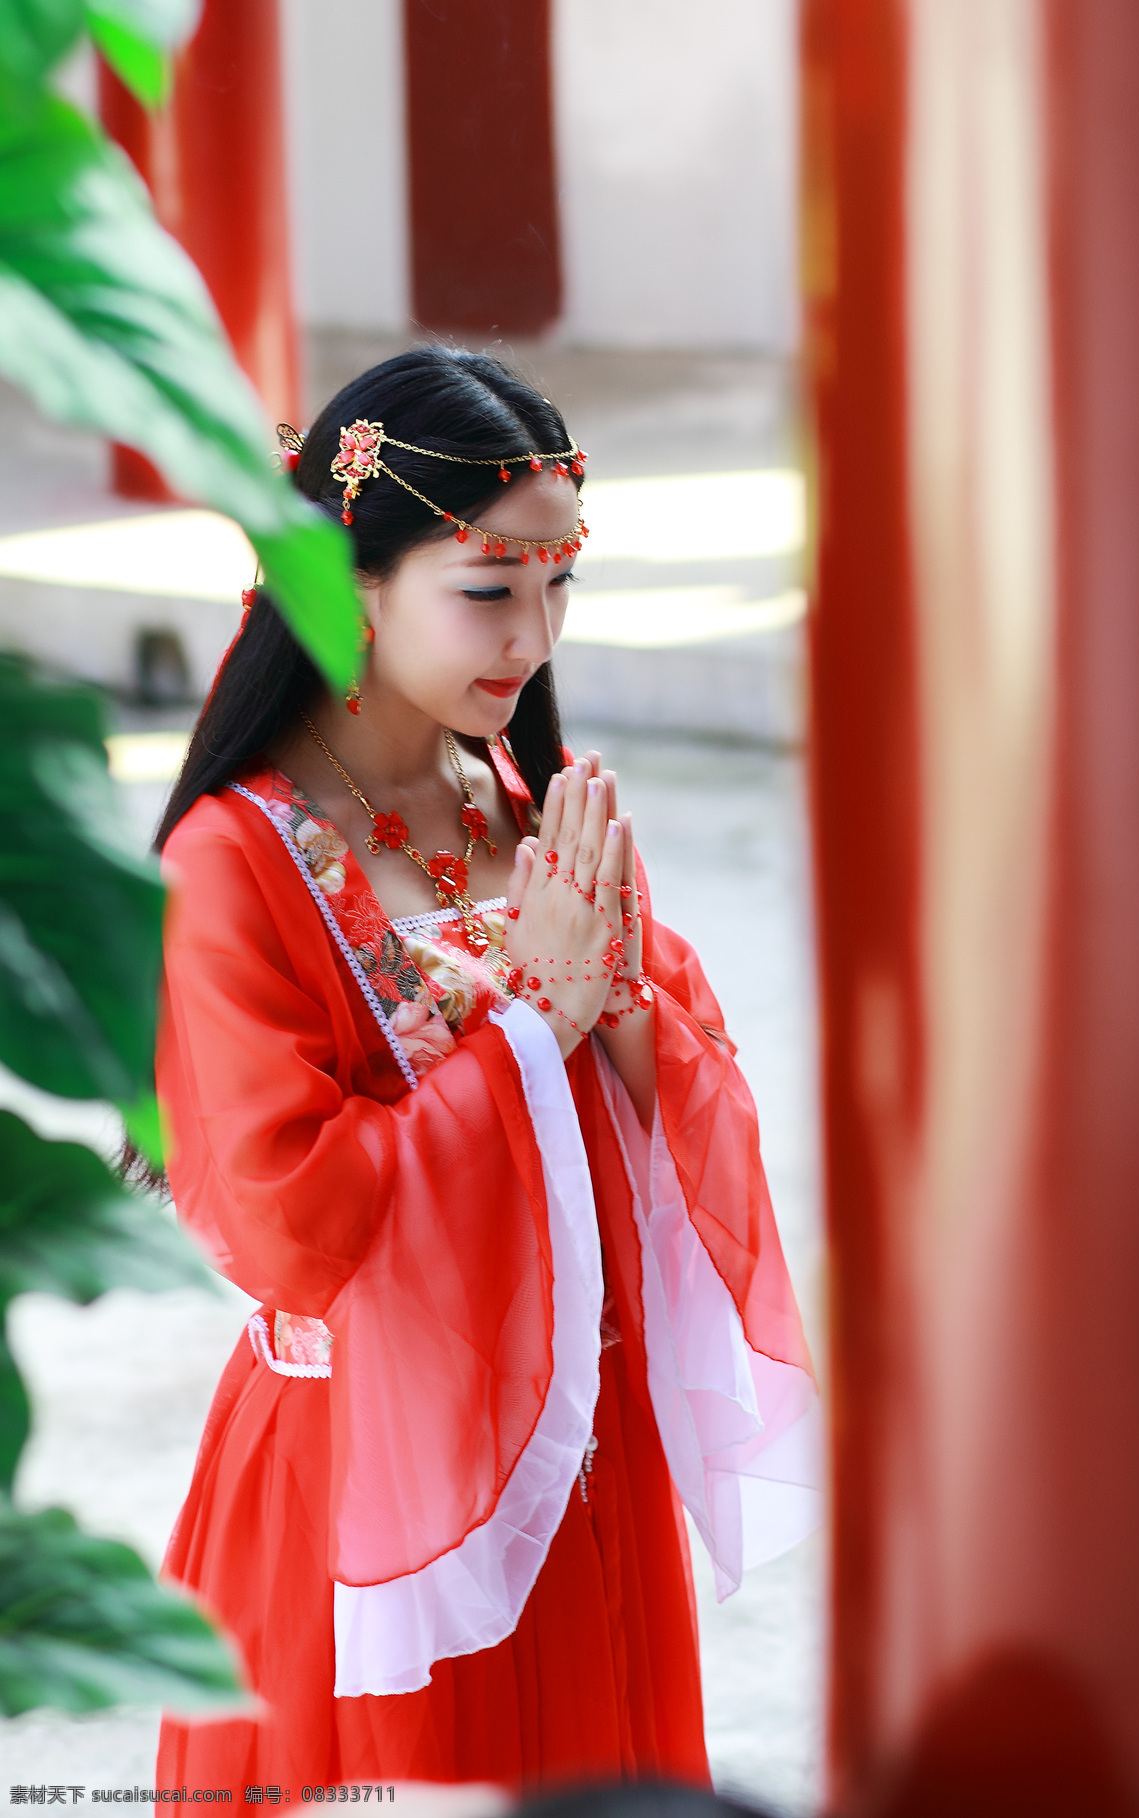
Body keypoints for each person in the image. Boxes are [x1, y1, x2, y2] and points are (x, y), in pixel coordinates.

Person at [151, 348, 821, 1792]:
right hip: (364, 1483)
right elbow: (291, 1219)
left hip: (577, 1444)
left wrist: (617, 996)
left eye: (557, 585)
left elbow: (659, 1065)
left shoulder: (504, 786)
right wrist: (540, 1020)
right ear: (350, 581)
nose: (533, 633)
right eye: (488, 587)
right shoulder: (232, 866)